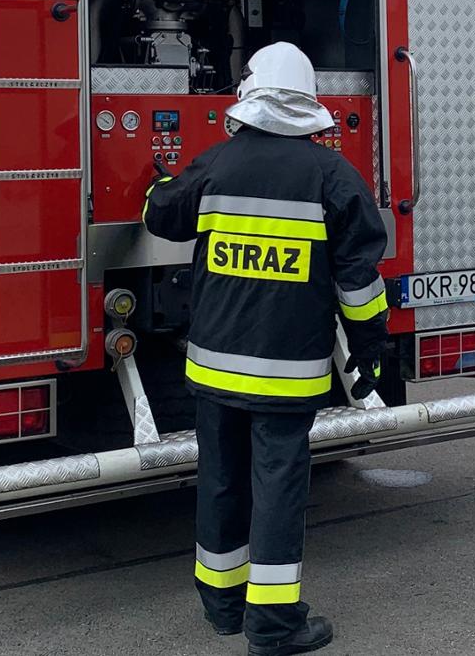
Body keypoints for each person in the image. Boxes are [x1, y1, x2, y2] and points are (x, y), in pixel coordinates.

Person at [145, 42, 390, 656]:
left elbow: (161, 216)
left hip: (214, 365)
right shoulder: (334, 177)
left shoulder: (215, 164)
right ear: (309, 108)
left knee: (221, 478)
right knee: (278, 487)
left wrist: (158, 183)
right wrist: (369, 347)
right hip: (287, 373)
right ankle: (274, 626)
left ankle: (223, 607)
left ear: (250, 101)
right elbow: (359, 282)